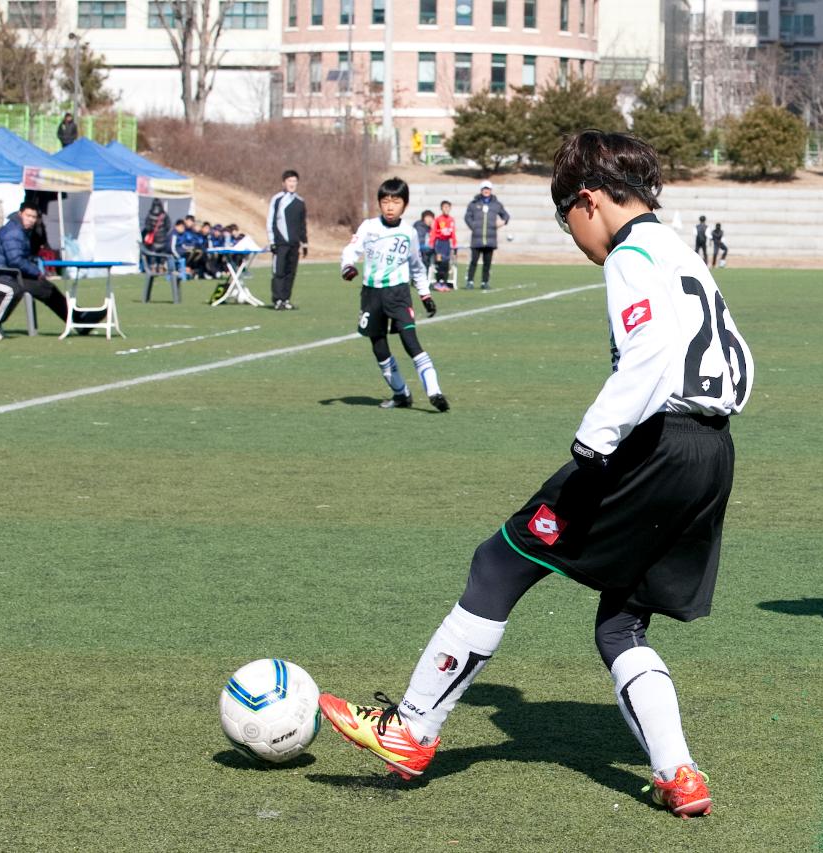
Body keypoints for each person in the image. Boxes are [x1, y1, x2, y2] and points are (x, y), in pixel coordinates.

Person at [317, 130, 754, 819]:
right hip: (713, 449)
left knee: (500, 560)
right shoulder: (680, 252)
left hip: (653, 443)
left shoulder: (631, 254)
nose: (576, 239)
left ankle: (410, 731)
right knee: (622, 622)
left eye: (566, 223)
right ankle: (681, 774)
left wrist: (595, 440)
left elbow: (651, 350)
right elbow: (736, 356)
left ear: (586, 203)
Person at [339, 177, 449, 412]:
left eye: (396, 201)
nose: (390, 206)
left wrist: (425, 295)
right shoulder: (368, 227)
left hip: (398, 294)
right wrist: (347, 266)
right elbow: (351, 249)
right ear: (379, 203)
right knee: (378, 346)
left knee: (411, 342)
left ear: (405, 205)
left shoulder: (409, 233)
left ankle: (434, 391)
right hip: (371, 294)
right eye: (385, 201)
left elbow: (417, 267)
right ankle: (401, 393)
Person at [0, 202, 102, 336]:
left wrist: (34, 266)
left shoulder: (19, 229)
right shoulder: (14, 232)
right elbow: (16, 261)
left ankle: (78, 318)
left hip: (11, 274)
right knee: (47, 289)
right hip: (4, 276)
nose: (31, 220)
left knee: (47, 288)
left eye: (34, 217)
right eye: (28, 216)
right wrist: (36, 272)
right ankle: (79, 319)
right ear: (20, 214)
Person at [266, 169, 308, 310]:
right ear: (283, 183)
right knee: (279, 271)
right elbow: (270, 220)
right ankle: (277, 300)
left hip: (294, 244)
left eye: (295, 181)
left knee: (291, 272)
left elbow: (302, 224)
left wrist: (304, 243)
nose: (292, 184)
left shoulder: (300, 202)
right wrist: (272, 241)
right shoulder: (277, 199)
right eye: (289, 181)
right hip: (280, 243)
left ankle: (286, 299)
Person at [463, 180, 511, 290]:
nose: (486, 190)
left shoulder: (496, 204)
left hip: (490, 239)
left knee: (487, 263)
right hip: (477, 239)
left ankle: (484, 282)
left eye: (488, 189)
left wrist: (502, 222)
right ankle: (470, 281)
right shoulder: (474, 204)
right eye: (484, 188)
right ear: (481, 190)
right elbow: (467, 217)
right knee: (473, 262)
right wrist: (473, 226)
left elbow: (506, 216)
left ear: (491, 190)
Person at [429, 200, 457, 290]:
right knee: (440, 262)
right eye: (445, 207)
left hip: (446, 244)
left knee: (446, 263)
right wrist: (431, 243)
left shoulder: (451, 220)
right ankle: (438, 282)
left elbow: (453, 233)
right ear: (441, 208)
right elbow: (433, 232)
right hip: (439, 243)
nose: (446, 209)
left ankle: (444, 283)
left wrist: (454, 243)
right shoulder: (438, 219)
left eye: (448, 207)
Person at [142, 199, 170, 270]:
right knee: (162, 254)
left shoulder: (150, 215)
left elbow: (147, 226)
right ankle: (161, 267)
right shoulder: (164, 215)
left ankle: (153, 267)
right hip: (162, 238)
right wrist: (164, 232)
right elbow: (168, 225)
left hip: (154, 239)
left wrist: (150, 230)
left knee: (153, 254)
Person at [413, 209, 436, 286]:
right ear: (423, 218)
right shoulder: (420, 226)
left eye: (431, 218)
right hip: (418, 250)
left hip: (426, 249)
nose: (430, 220)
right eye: (428, 217)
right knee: (424, 259)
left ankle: (430, 279)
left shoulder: (430, 228)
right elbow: (419, 241)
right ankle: (420, 279)